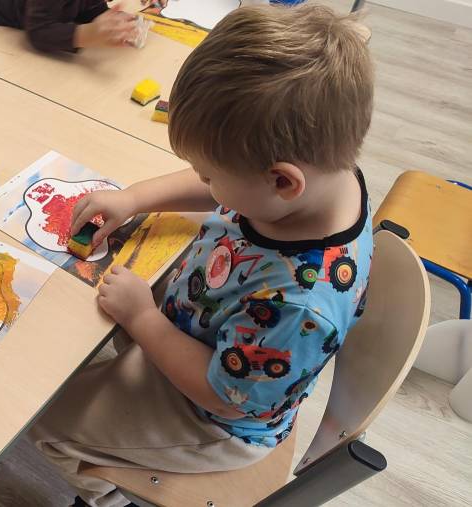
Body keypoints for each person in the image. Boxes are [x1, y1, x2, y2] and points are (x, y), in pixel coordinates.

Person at [29, 4, 375, 506]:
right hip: (205, 328)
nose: (206, 182)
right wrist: (134, 199)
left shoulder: (302, 305)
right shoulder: (323, 177)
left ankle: (108, 496)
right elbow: (229, 182)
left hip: (214, 420)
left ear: (282, 181)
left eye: (210, 174)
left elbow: (222, 396)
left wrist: (143, 319)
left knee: (46, 421)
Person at [0, 0, 168, 52]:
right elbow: (39, 31)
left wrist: (103, 17)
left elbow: (81, 6)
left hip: (40, 16)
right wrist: (88, 34)